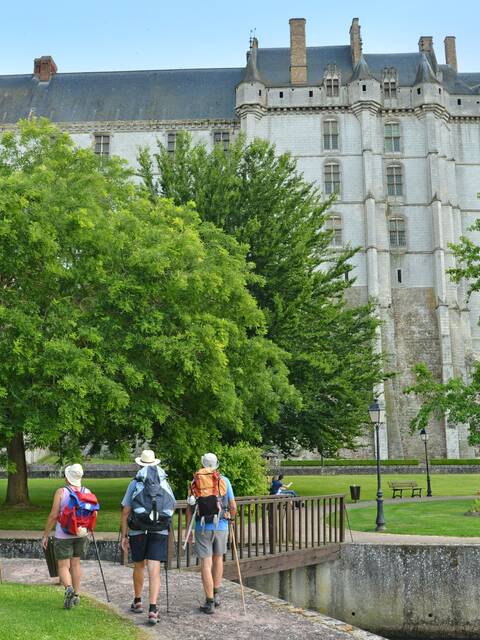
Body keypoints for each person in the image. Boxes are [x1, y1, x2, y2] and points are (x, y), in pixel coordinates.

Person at [120, 449, 175, 626]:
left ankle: (137, 601)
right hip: (159, 529)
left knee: (138, 565)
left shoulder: (135, 482)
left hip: (137, 529)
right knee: (154, 568)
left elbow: (126, 510)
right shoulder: (164, 481)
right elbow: (170, 505)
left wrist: (124, 534)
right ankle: (153, 609)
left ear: (140, 464)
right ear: (155, 463)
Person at [186, 452, 236, 615]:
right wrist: (232, 518)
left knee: (206, 564)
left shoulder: (195, 481)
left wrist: (189, 529)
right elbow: (232, 505)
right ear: (216, 465)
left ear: (202, 464)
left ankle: (209, 602)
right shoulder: (224, 480)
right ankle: (216, 593)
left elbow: (190, 508)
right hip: (220, 526)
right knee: (218, 559)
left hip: (202, 527)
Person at [41, 463, 91, 609]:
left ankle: (68, 588)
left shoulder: (61, 492)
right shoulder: (86, 491)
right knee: (76, 564)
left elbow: (53, 515)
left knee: (63, 566)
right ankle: (76, 595)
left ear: (67, 477)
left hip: (63, 534)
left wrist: (45, 535)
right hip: (81, 533)